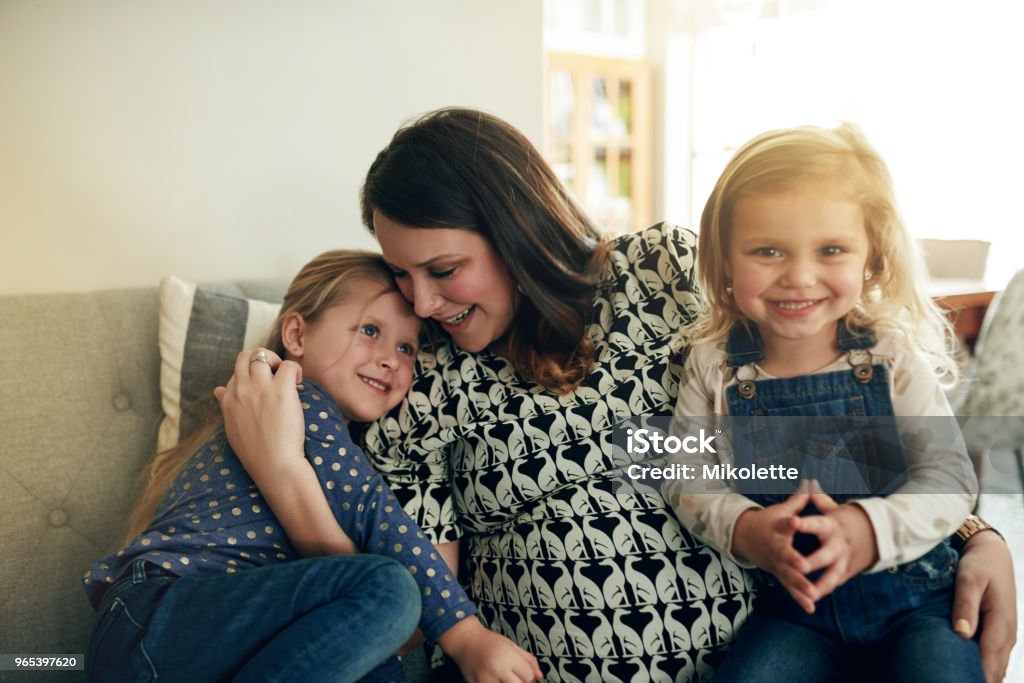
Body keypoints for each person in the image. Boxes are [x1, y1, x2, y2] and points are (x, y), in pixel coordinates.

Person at [217, 108, 1017, 682]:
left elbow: (818, 391)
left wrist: (972, 534)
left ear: (516, 228)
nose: (421, 304)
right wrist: (285, 473)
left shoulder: (664, 273)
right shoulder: (427, 379)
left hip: (786, 629)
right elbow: (407, 601)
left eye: (443, 269)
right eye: (400, 274)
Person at [83, 249, 542, 683]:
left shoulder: (343, 437)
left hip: (193, 643)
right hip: (159, 618)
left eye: (407, 348)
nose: (390, 358)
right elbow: (373, 511)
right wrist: (467, 636)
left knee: (377, 662)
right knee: (388, 588)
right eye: (369, 331)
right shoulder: (298, 400)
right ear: (297, 335)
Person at [664, 123, 983, 681]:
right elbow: (685, 475)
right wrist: (746, 529)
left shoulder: (890, 354)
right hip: (793, 612)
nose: (800, 277)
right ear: (723, 259)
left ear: (872, 256)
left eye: (831, 249)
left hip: (919, 604)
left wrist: (866, 529)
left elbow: (950, 477)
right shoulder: (712, 361)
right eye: (767, 250)